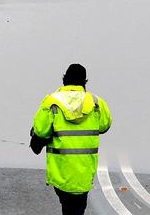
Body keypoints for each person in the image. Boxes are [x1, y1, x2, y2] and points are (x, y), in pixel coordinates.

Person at [30, 64, 112, 215]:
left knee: (67, 206)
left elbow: (41, 131)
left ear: (64, 79)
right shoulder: (96, 103)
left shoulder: (51, 101)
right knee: (78, 207)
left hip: (61, 170)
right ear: (84, 82)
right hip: (85, 171)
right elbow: (105, 125)